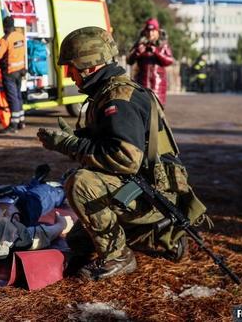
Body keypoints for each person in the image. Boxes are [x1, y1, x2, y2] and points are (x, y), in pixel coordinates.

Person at [36, 26, 206, 281]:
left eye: (70, 67)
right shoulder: (111, 91)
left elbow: (124, 158)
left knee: (81, 183)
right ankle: (160, 235)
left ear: (88, 66)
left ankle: (118, 256)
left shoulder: (118, 100)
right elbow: (113, 142)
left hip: (152, 194)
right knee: (79, 240)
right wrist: (77, 138)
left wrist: (68, 145)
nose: (70, 75)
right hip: (148, 187)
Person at [126, 18, 174, 106]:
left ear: (157, 31)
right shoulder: (139, 44)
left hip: (158, 86)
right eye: (148, 31)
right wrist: (137, 52)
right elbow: (129, 60)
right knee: (142, 112)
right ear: (144, 31)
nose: (150, 33)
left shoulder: (163, 44)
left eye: (153, 31)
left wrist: (156, 52)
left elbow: (170, 61)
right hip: (141, 84)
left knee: (157, 114)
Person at [0, 16, 26, 133]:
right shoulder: (20, 36)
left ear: (5, 26)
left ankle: (13, 124)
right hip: (20, 70)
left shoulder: (5, 39)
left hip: (9, 72)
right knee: (18, 96)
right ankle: (21, 121)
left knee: (13, 99)